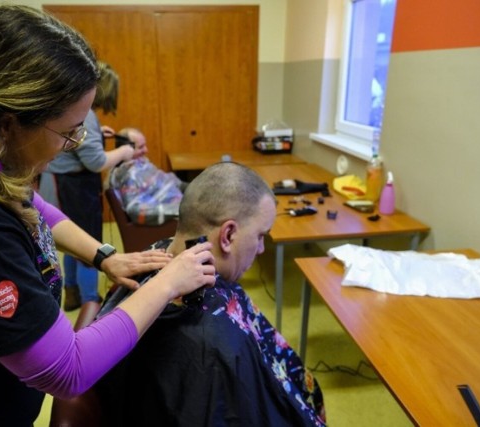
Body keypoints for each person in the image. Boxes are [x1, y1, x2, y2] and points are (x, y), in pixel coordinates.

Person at [0, 5, 215, 426]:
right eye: (68, 132)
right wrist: (168, 284)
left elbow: (28, 201)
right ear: (9, 123)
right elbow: (67, 370)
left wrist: (103, 255)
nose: (73, 143)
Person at [94, 162, 327, 427]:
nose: (261, 248)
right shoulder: (211, 346)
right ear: (227, 235)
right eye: (260, 235)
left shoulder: (155, 254)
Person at [38, 61, 138, 326]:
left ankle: (72, 295)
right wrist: (125, 152)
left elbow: (81, 143)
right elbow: (95, 161)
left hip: (61, 183)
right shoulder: (88, 117)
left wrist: (98, 135)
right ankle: (91, 300)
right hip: (74, 187)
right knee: (88, 244)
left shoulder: (83, 116)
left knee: (73, 245)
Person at [108, 127, 187, 226]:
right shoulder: (129, 176)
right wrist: (180, 209)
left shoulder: (141, 163)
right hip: (175, 219)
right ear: (126, 150)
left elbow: (167, 181)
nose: (146, 150)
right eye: (141, 147)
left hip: (181, 199)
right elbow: (135, 211)